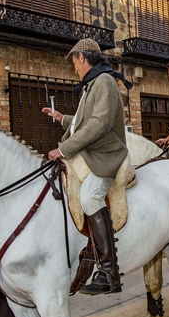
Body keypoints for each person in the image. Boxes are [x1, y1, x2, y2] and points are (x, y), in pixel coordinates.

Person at [43, 38, 130, 295]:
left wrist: (63, 149)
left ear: (82, 57)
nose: (74, 69)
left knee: (90, 197)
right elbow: (85, 121)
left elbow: (100, 123)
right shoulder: (93, 83)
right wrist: (63, 119)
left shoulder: (103, 82)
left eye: (74, 63)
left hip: (106, 154)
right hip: (91, 152)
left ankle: (109, 272)